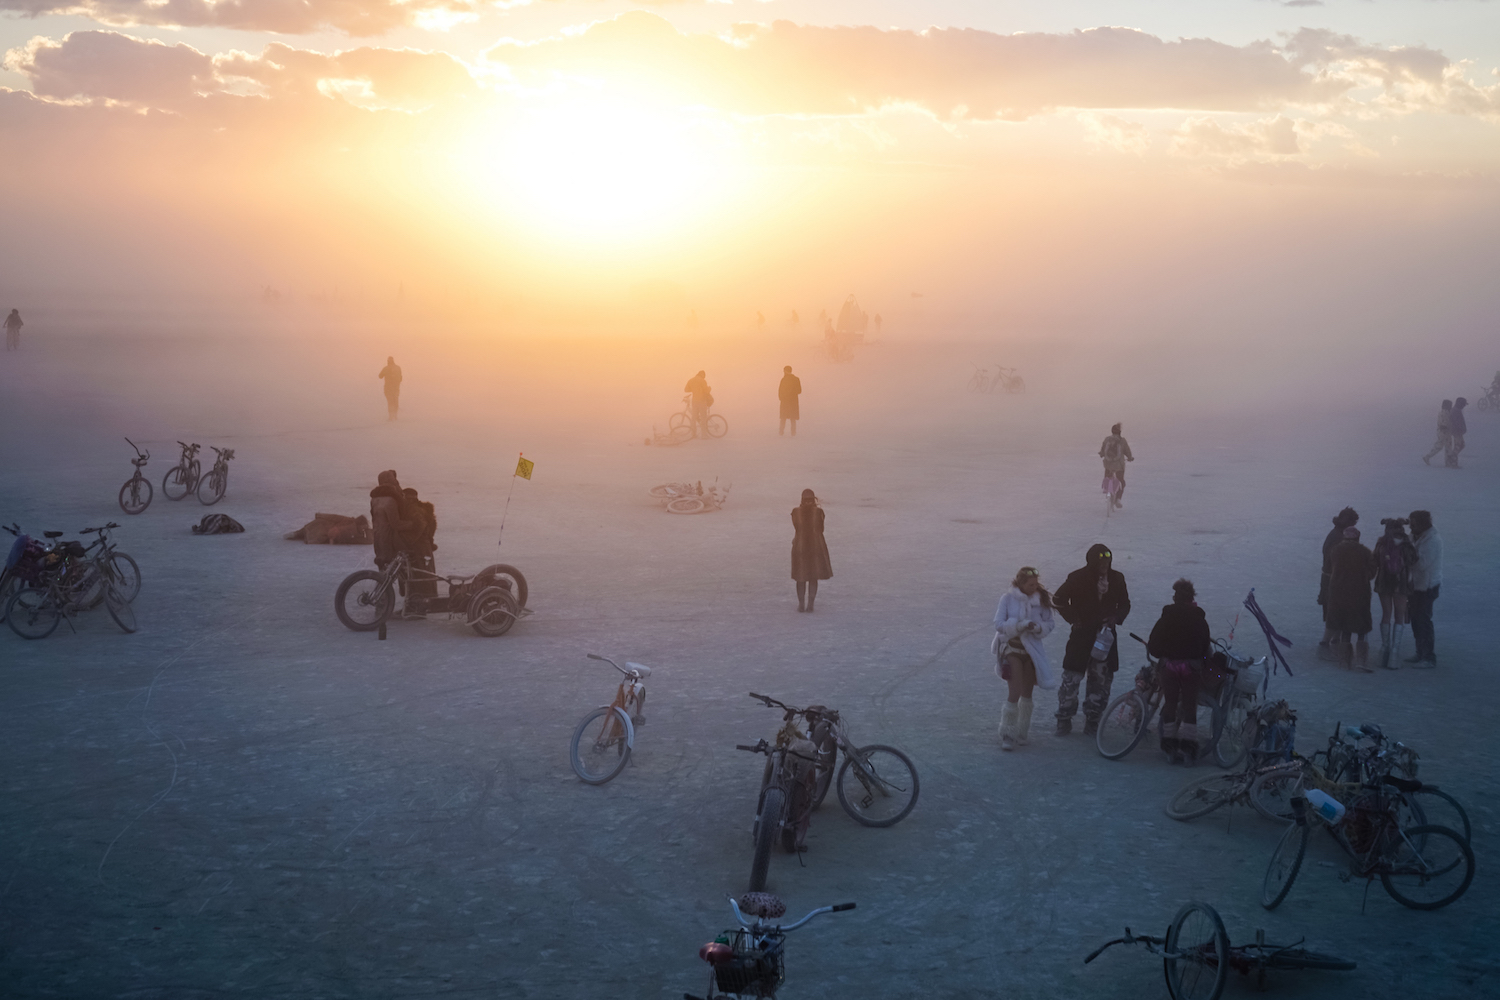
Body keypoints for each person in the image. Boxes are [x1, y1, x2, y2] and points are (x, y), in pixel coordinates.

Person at [1052, 543, 1131, 736]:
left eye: (1108, 560)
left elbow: (1125, 604)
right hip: (1081, 637)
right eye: (1101, 560)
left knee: (1100, 681)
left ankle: (1093, 720)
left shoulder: (1117, 578)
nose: (1105, 564)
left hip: (1105, 638)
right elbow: (1058, 599)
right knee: (1071, 678)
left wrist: (1116, 618)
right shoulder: (1077, 577)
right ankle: (1064, 718)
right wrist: (1074, 618)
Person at [1146, 579, 1212, 765]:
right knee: (1190, 708)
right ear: (1192, 598)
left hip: (1170, 668)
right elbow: (1205, 647)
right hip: (1191, 669)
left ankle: (1170, 749)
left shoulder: (1166, 617)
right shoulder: (1200, 620)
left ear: (1175, 597)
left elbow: (1154, 646)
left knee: (1170, 706)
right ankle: (1189, 753)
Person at [992, 567, 1058, 751]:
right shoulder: (1007, 599)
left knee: (1027, 694)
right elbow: (998, 624)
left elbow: (1050, 623)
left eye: (1036, 584)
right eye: (1030, 585)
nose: (1034, 587)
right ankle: (1007, 733)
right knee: (1014, 692)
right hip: (1012, 649)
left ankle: (1022, 732)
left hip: (1032, 652)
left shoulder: (1041, 600)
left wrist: (1037, 628)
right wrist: (1019, 626)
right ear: (1020, 584)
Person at [1326, 525, 1375, 671]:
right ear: (1358, 538)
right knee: (1362, 627)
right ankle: (1361, 660)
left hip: (1338, 593)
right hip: (1360, 593)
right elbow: (1372, 573)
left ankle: (1344, 661)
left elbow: (1329, 569)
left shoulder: (1335, 550)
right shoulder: (1365, 552)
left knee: (1344, 626)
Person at [1371, 518, 1417, 669]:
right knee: (1399, 616)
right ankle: (1394, 654)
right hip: (1401, 585)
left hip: (1384, 583)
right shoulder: (1407, 545)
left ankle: (1384, 650)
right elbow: (1414, 561)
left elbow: (1374, 562)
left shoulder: (1381, 544)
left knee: (1386, 614)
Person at [1317, 506, 1359, 659]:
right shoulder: (1338, 537)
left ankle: (1334, 637)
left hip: (1332, 577)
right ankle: (1328, 639)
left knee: (1333, 607)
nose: (1354, 525)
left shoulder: (1337, 533)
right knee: (1333, 608)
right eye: (1352, 521)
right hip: (1334, 578)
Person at [1405, 510, 1442, 667]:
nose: (1410, 527)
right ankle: (1420, 652)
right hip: (1415, 585)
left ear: (1422, 524)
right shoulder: (1414, 536)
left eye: (1413, 524)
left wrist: (1404, 558)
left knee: (1424, 620)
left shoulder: (1432, 540)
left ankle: (1428, 657)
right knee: (1415, 619)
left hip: (1427, 586)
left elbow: (1421, 564)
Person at [790, 489, 831, 612]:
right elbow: (821, 528)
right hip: (815, 546)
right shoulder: (819, 513)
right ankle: (810, 604)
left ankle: (801, 604)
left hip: (800, 546)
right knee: (813, 576)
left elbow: (796, 527)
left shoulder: (795, 512)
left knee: (800, 577)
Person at [1099, 423, 1134, 508]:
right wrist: (1129, 457)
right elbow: (1127, 451)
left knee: (1107, 477)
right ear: (1119, 432)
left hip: (1108, 464)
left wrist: (1101, 454)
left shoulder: (1107, 439)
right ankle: (1118, 499)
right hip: (1119, 466)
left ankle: (1107, 492)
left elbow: (1103, 451)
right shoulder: (1122, 441)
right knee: (1121, 481)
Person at [1421, 400, 1452, 465]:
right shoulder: (1446, 413)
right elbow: (1445, 423)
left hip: (1443, 432)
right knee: (1442, 446)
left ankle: (1448, 461)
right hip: (1444, 432)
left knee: (1445, 446)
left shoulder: (1441, 412)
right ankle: (1428, 457)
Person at [684, 370, 712, 438]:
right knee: (703, 418)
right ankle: (704, 435)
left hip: (694, 401)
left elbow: (686, 390)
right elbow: (706, 391)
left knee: (694, 418)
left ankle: (693, 434)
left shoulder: (691, 380)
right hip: (702, 401)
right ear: (702, 375)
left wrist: (694, 389)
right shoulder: (702, 381)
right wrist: (709, 388)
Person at [778, 366, 802, 436]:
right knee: (793, 418)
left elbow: (780, 391)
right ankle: (793, 433)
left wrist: (781, 398)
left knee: (783, 417)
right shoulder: (796, 379)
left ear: (785, 371)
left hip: (785, 401)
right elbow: (799, 390)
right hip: (793, 401)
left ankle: (781, 432)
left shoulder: (783, 380)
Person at [1446, 397, 1468, 468]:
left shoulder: (1456, 410)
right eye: (1463, 404)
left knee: (1461, 445)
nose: (1464, 406)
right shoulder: (1456, 411)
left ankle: (1450, 458)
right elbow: (1457, 423)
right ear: (1460, 404)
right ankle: (1453, 462)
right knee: (1458, 446)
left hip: (1458, 431)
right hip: (1457, 432)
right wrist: (1461, 429)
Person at [378, 356, 403, 421]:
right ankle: (395, 416)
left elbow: (380, 376)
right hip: (396, 388)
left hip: (388, 388)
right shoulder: (398, 368)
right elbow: (401, 378)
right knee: (395, 401)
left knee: (390, 402)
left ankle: (391, 417)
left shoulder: (386, 368)